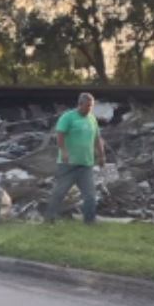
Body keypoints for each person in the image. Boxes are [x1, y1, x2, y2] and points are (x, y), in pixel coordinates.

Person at [45, 92, 106, 224]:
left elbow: (97, 138)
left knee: (90, 195)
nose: (90, 108)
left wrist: (101, 155)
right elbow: (59, 135)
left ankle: (90, 222)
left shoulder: (92, 119)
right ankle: (49, 219)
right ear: (80, 104)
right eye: (87, 106)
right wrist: (64, 151)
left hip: (86, 164)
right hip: (68, 164)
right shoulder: (68, 117)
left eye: (92, 106)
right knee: (59, 193)